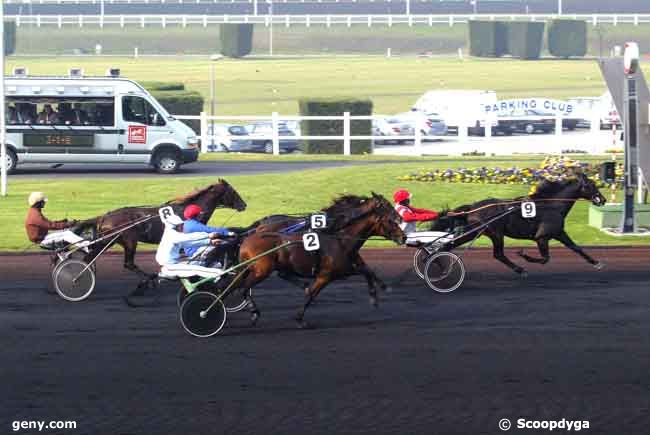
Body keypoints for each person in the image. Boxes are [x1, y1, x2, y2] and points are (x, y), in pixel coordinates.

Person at [155, 214, 225, 278]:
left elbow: (189, 244)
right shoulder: (172, 235)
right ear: (173, 226)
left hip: (174, 264)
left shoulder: (174, 235)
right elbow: (190, 237)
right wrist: (208, 235)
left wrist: (210, 242)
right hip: (169, 267)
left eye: (182, 225)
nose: (183, 227)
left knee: (201, 264)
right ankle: (223, 274)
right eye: (180, 225)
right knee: (198, 269)